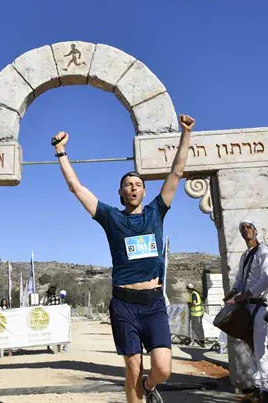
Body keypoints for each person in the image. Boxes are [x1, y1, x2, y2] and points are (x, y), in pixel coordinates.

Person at [52, 113, 195, 403]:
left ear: (144, 191)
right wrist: (61, 152)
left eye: (138, 184)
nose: (133, 187)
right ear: (120, 192)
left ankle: (149, 385)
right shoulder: (110, 217)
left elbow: (177, 171)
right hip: (124, 304)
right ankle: (138, 389)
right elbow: (76, 188)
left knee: (163, 369)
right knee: (132, 367)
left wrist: (186, 133)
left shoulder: (157, 211)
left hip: (153, 303)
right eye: (128, 184)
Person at [223, 220, 268, 403]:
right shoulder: (245, 255)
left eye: (249, 228)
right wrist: (232, 292)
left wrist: (245, 294)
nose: (246, 231)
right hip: (246, 305)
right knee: (251, 347)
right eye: (243, 229)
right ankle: (257, 385)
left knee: (260, 349)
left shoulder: (264, 251)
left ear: (255, 230)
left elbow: (267, 278)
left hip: (258, 305)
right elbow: (240, 279)